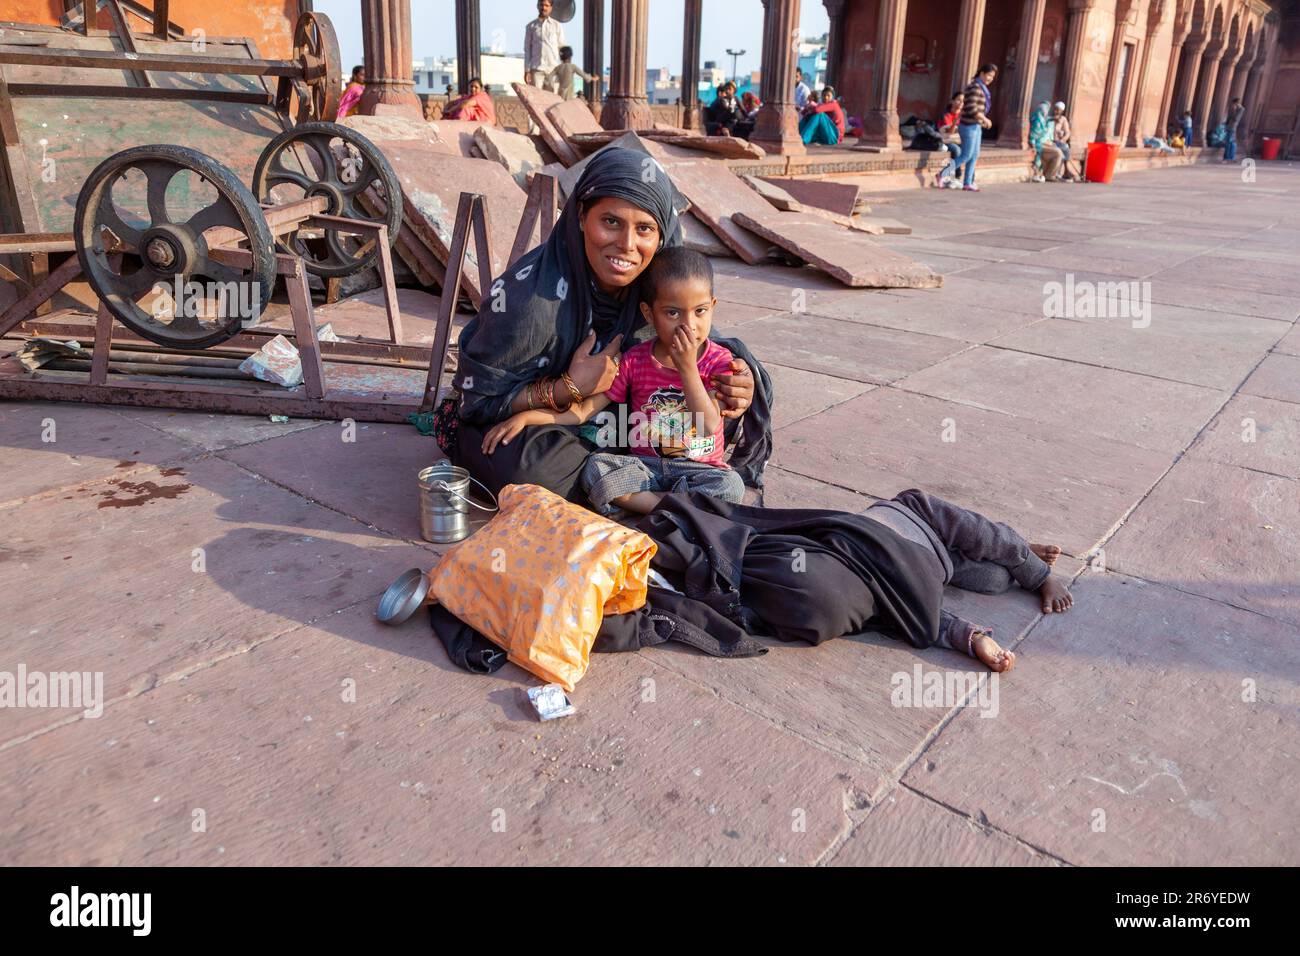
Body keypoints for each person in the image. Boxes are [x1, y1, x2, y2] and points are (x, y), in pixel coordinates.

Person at [449, 147, 771, 502]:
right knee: (525, 467)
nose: (627, 245)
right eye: (611, 222)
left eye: (645, 228)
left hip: (629, 418)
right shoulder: (528, 300)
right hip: (550, 422)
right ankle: (651, 490)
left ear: (662, 235)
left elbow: (694, 336)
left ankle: (624, 484)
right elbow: (475, 401)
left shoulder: (656, 283)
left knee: (714, 386)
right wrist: (567, 386)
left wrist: (734, 386)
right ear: (582, 215)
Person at [482, 248, 745, 515]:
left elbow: (708, 424)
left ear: (712, 306)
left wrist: (687, 367)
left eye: (699, 311)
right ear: (649, 313)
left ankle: (660, 508)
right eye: (673, 313)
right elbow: (584, 411)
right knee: (596, 469)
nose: (688, 325)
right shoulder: (636, 360)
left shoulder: (719, 361)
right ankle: (680, 510)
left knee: (731, 486)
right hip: (646, 468)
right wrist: (528, 417)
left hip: (701, 470)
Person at [858, 490, 1074, 671]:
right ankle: (1018, 550)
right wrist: (970, 637)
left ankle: (1027, 558)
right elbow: (899, 608)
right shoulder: (861, 584)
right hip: (923, 558)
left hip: (912, 516)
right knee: (995, 579)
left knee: (984, 537)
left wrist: (1039, 576)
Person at [934, 63, 997, 191]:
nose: (990, 78)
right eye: (989, 75)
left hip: (976, 125)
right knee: (966, 155)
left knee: (974, 155)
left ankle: (968, 182)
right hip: (968, 126)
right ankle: (941, 174)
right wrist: (984, 119)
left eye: (992, 77)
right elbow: (972, 109)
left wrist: (982, 120)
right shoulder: (974, 87)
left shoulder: (981, 88)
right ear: (982, 73)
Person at [524, 0, 565, 90]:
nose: (544, 8)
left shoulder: (557, 25)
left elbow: (562, 48)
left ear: (551, 8)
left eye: (546, 5)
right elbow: (527, 50)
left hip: (553, 69)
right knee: (537, 100)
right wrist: (527, 70)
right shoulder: (531, 26)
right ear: (538, 6)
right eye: (542, 5)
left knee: (554, 100)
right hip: (537, 69)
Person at [935, 91, 965, 188]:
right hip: (946, 140)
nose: (961, 103)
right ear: (952, 101)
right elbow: (949, 132)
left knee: (967, 151)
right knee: (957, 150)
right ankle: (954, 176)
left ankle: (956, 178)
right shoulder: (946, 115)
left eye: (963, 101)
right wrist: (956, 120)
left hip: (957, 140)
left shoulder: (963, 116)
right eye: (958, 100)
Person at [1029, 102, 1062, 182]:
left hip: (1043, 143)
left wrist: (1053, 119)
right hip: (1038, 145)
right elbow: (1033, 136)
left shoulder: (1042, 119)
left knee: (1059, 150)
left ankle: (1050, 174)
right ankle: (1049, 175)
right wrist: (1033, 147)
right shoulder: (1037, 121)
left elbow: (1048, 119)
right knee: (1058, 152)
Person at [1052, 101, 1075, 180]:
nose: (1056, 111)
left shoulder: (1063, 119)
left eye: (1058, 110)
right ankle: (1066, 170)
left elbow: (1067, 133)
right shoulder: (1050, 118)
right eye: (1055, 109)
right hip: (1050, 140)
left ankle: (1065, 169)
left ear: (1061, 111)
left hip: (1059, 141)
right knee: (1063, 148)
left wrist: (1062, 139)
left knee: (1064, 147)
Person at [1223, 97, 1246, 162]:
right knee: (1230, 143)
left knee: (1229, 143)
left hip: (1232, 127)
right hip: (1230, 127)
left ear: (1236, 103)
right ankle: (1230, 157)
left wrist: (1233, 111)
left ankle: (1227, 157)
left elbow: (1236, 118)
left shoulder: (1241, 109)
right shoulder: (1236, 109)